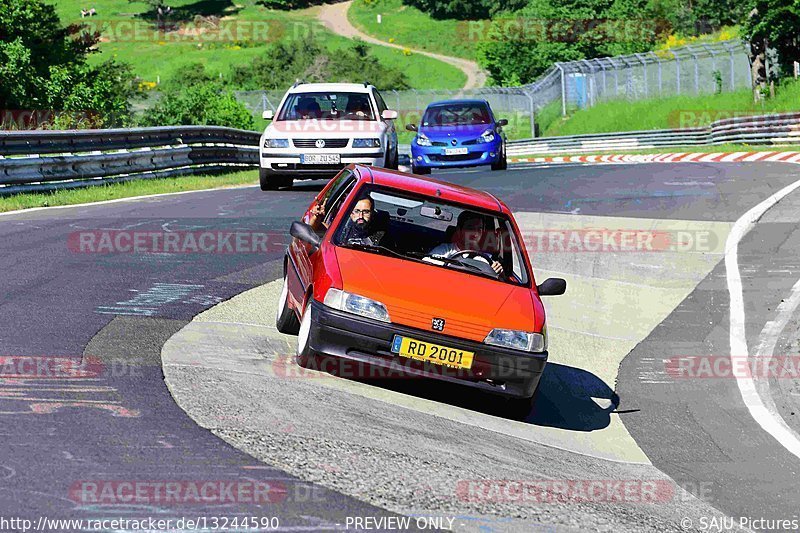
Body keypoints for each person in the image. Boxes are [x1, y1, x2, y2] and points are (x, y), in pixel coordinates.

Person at [430, 211, 504, 275]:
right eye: (470, 229)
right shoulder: (444, 251)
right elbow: (428, 268)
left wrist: (497, 270)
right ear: (459, 231)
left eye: (479, 229)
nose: (475, 234)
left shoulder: (486, 259)